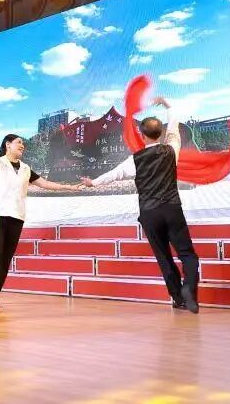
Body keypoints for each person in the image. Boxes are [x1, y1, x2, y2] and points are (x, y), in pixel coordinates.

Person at [81, 97, 200, 313]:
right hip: (171, 208)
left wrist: (93, 183)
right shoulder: (171, 150)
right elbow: (174, 128)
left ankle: (178, 298)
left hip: (149, 213)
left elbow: (114, 174)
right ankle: (189, 290)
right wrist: (168, 106)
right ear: (160, 134)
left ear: (142, 135)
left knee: (163, 257)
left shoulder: (134, 159)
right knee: (187, 254)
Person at [0, 134, 81, 305]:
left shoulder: (25, 168)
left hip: (17, 216)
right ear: (8, 144)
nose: (22, 145)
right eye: (19, 142)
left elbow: (45, 183)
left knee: (6, 256)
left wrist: (68, 187)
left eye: (23, 143)